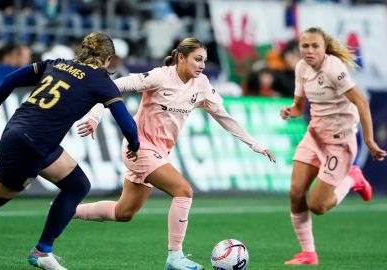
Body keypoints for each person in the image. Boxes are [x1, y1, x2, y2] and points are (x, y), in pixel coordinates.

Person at [0, 32, 140, 270]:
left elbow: (10, 79)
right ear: (108, 59)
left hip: (19, 135)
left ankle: (43, 250)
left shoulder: (56, 63)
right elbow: (127, 124)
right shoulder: (102, 81)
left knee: (78, 184)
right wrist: (134, 146)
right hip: (32, 148)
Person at [74, 37, 276, 270]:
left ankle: (67, 210)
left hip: (159, 152)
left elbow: (223, 116)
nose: (201, 65)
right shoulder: (160, 76)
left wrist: (254, 144)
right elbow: (113, 86)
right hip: (138, 147)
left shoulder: (201, 85)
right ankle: (175, 256)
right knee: (183, 190)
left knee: (124, 212)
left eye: (205, 61)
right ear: (181, 57)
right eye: (197, 59)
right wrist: (94, 116)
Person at [280, 27, 386, 265]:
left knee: (317, 206)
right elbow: (299, 106)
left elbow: (361, 102)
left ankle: (354, 178)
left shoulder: (333, 68)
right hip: (314, 137)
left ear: (324, 47)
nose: (309, 51)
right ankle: (309, 253)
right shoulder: (301, 69)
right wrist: (290, 111)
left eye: (315, 46)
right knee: (296, 192)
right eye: (304, 46)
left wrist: (369, 140)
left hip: (339, 143)